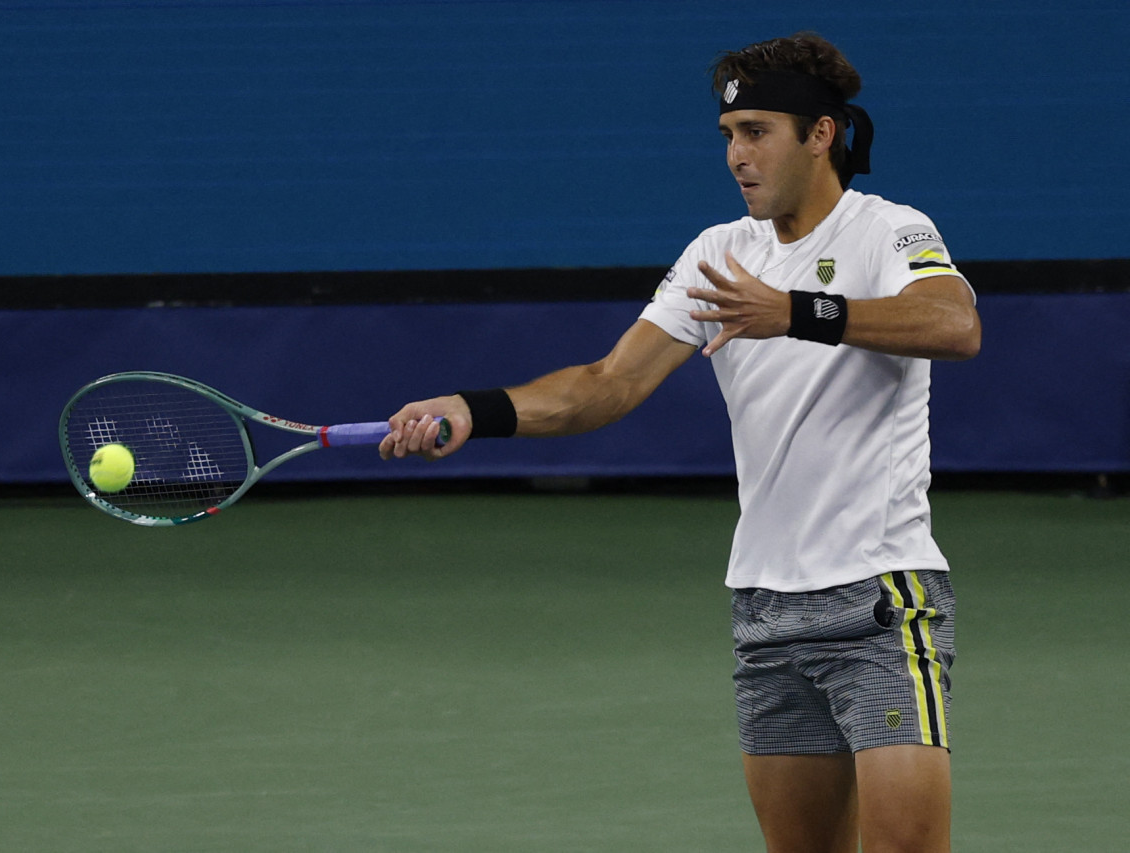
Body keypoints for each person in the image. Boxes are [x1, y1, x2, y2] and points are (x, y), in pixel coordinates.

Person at [379, 31, 980, 853]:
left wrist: (796, 311)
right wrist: (472, 410)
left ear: (820, 134)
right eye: (730, 135)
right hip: (766, 611)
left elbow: (955, 324)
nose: (737, 154)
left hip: (880, 601)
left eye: (758, 130)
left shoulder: (890, 231)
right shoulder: (719, 253)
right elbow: (607, 384)